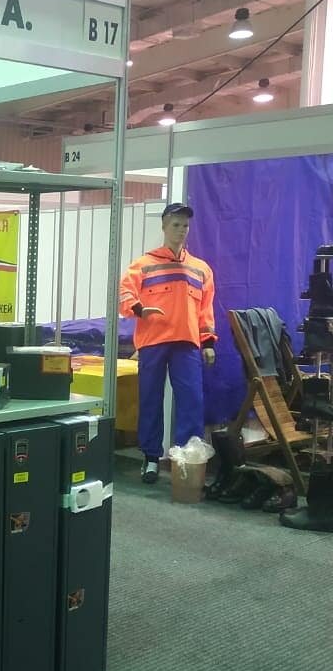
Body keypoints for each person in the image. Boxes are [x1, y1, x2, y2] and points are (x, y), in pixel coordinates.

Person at [119, 202, 216, 484]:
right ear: (164, 226)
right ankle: (151, 458)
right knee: (150, 399)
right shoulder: (143, 264)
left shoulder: (201, 269)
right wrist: (139, 309)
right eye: (176, 225)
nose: (181, 230)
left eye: (185, 226)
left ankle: (186, 461)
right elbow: (124, 293)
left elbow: (206, 310)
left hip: (187, 342)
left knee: (192, 401)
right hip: (153, 341)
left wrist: (208, 342)